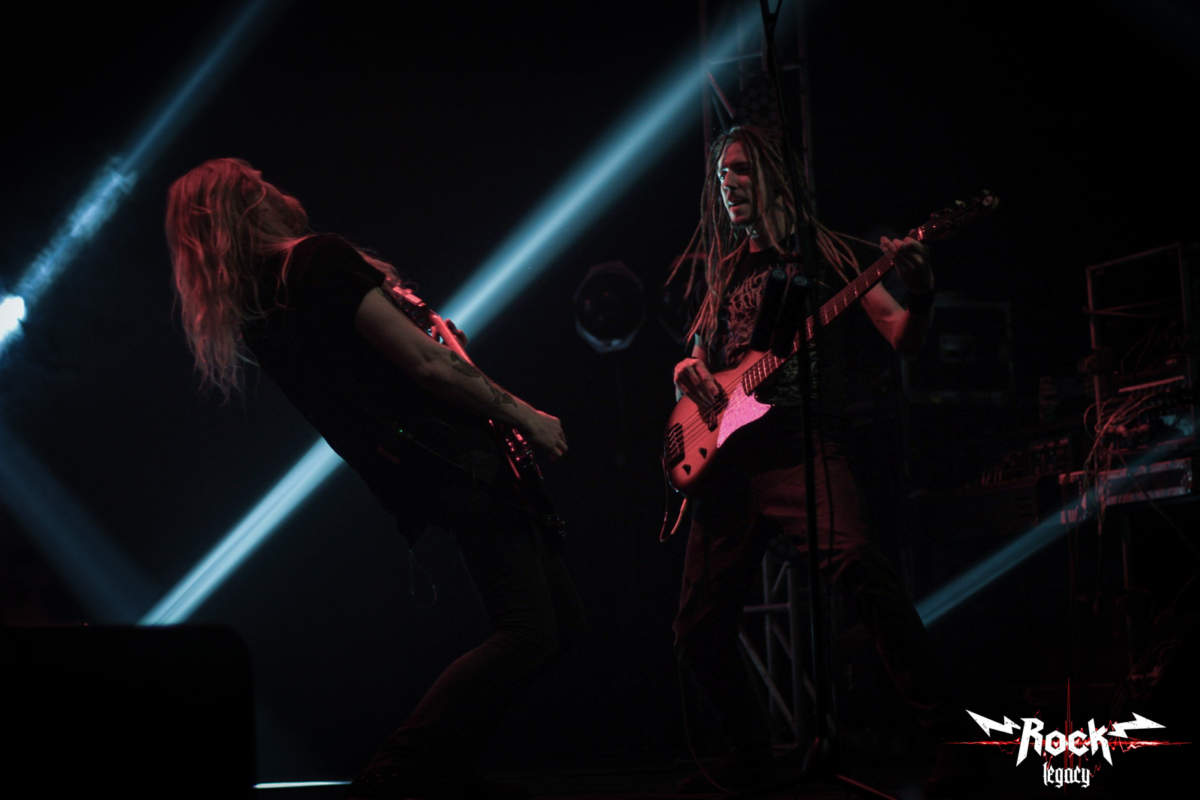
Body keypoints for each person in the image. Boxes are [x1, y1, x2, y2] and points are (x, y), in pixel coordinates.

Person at [166, 158, 583, 800]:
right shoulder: (317, 261)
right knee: (530, 630)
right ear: (246, 202)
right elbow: (425, 365)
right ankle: (400, 767)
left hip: (433, 471)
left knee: (557, 623)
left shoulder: (264, 306)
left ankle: (438, 767)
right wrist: (525, 414)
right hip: (462, 460)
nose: (273, 183)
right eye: (257, 180)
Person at [667, 126, 962, 794]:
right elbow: (694, 359)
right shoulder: (724, 271)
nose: (728, 184)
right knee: (697, 629)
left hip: (802, 449)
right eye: (721, 175)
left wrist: (923, 292)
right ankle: (749, 756)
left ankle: (954, 739)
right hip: (729, 465)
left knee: (861, 568)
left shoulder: (829, 253)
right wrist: (687, 373)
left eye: (741, 170)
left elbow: (902, 336)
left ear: (775, 173)